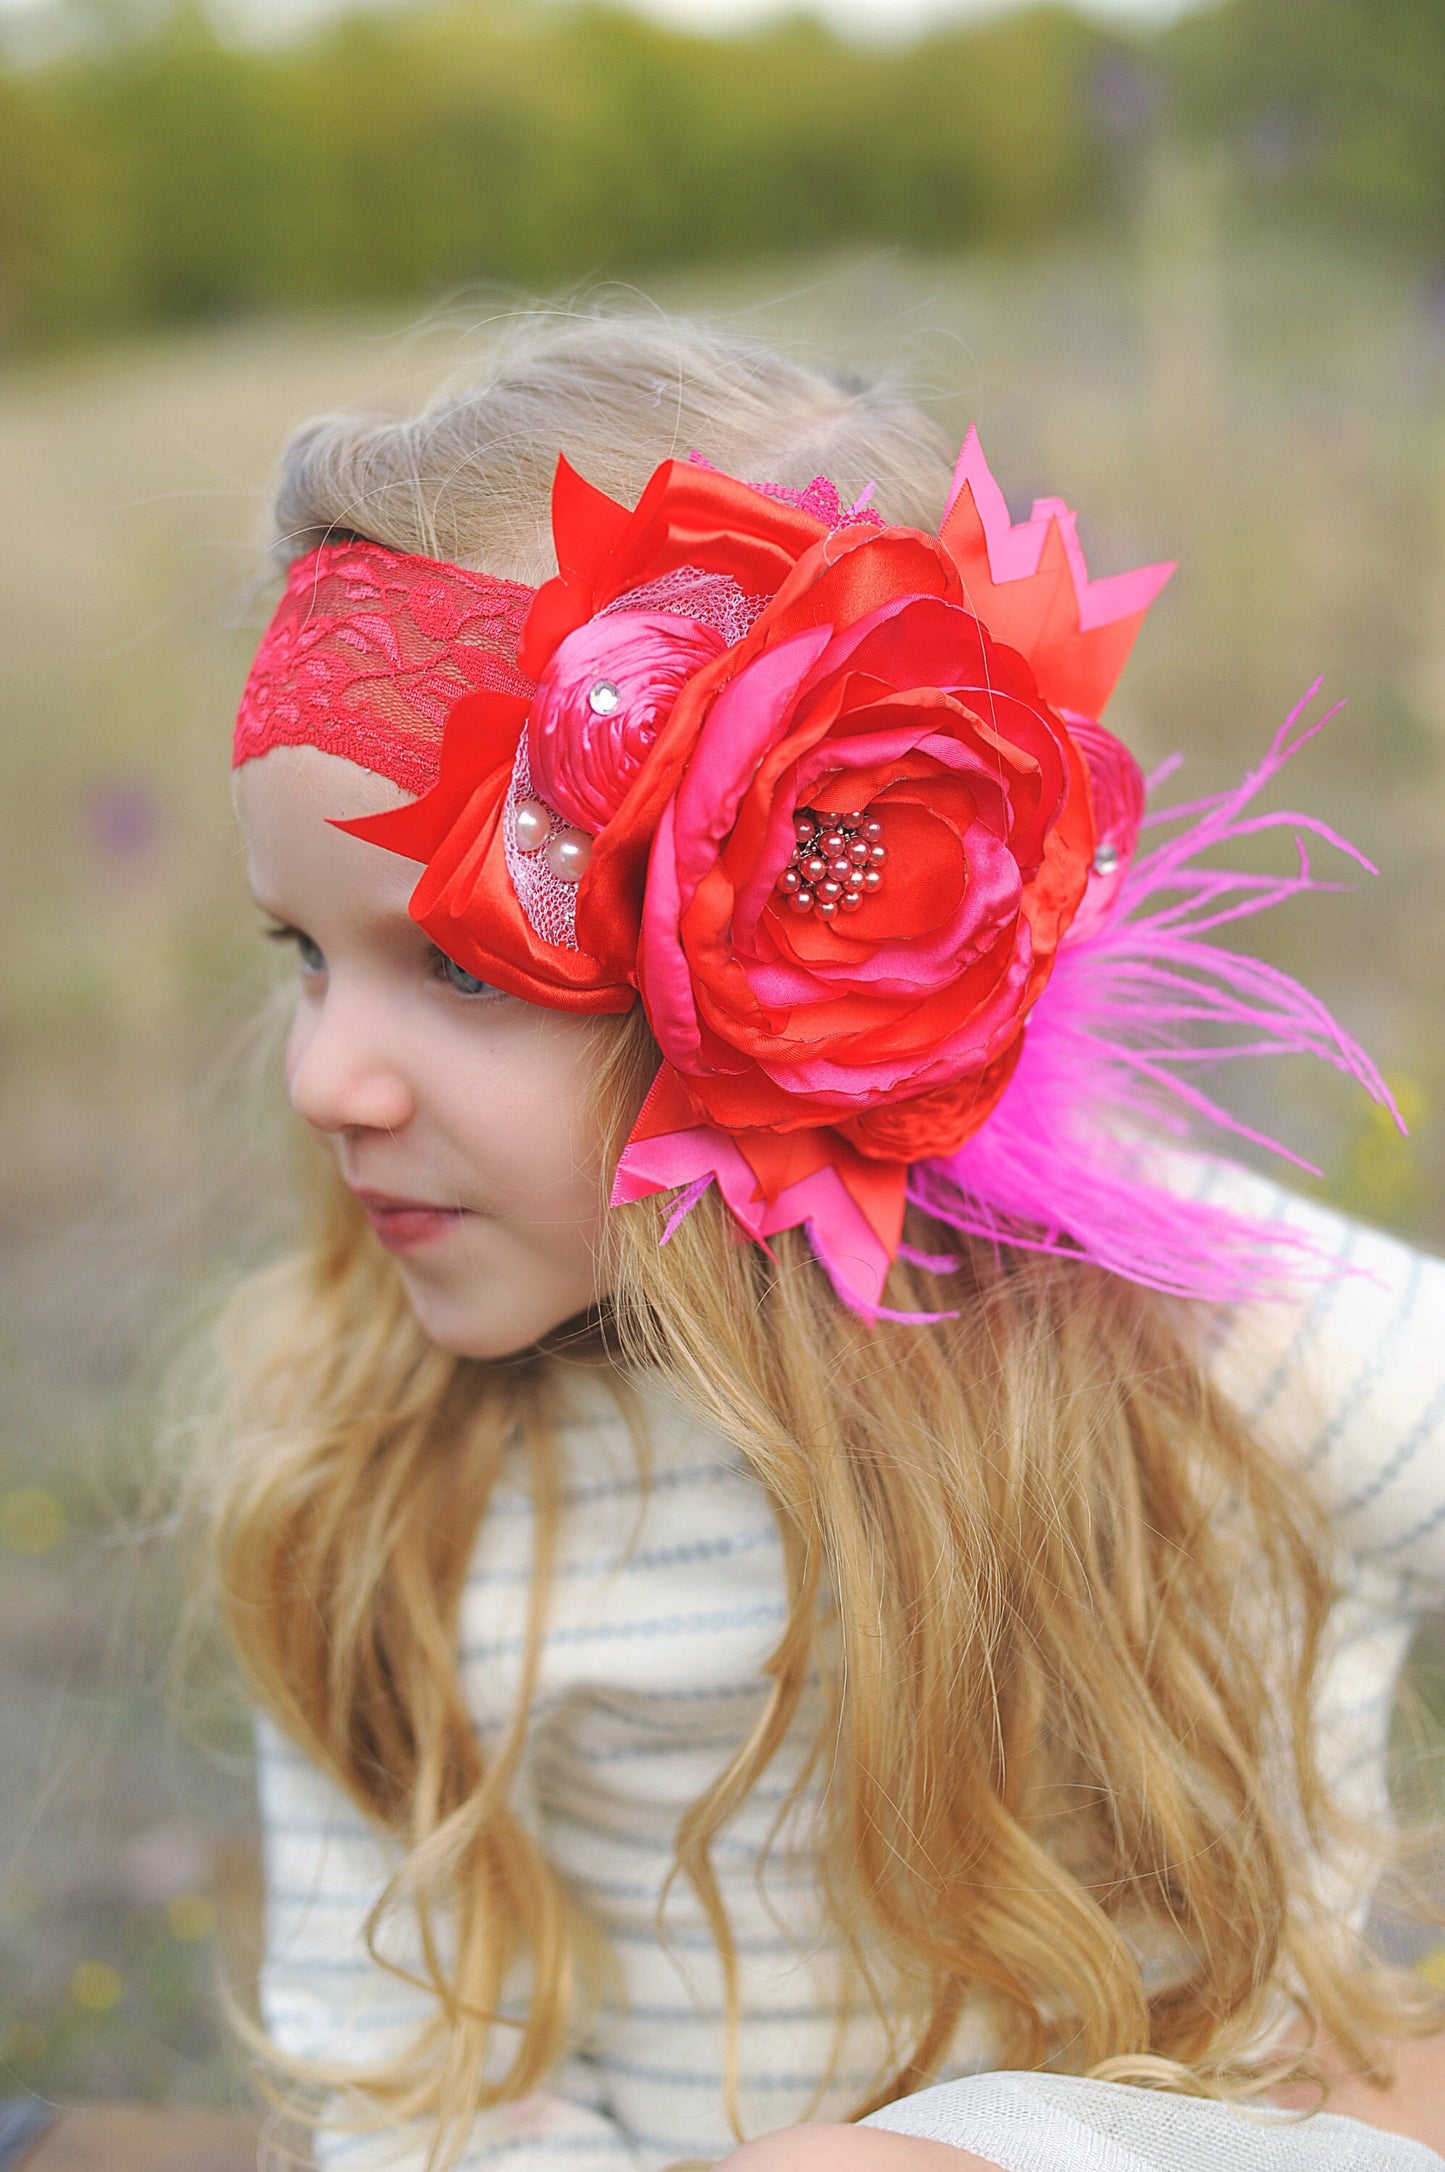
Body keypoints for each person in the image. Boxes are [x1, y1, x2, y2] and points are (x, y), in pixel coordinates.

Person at [210, 313, 1445, 2172]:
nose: (326, 1075)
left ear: (796, 952)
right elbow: (407, 2103)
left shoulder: (1192, 1342)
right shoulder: (382, 1490)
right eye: (304, 956)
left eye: (456, 962)